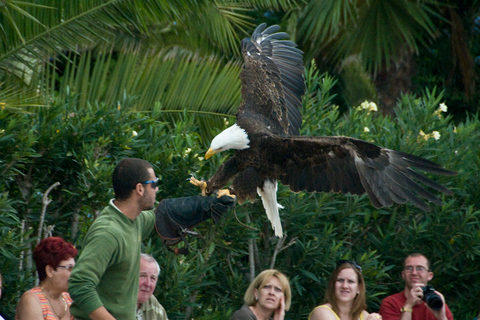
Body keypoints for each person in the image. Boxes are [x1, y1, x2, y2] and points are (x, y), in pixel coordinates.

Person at [68, 158, 235, 320]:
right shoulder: (108, 232)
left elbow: (162, 215)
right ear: (140, 189)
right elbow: (80, 284)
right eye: (154, 184)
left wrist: (204, 205)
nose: (156, 189)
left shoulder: (133, 220)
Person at [16, 237, 78, 320]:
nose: (74, 273)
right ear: (49, 271)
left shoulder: (67, 299)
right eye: (69, 268)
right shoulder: (32, 300)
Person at [379, 253, 453, 320]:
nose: (414, 273)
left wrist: (442, 317)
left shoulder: (437, 303)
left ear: (429, 276)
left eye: (420, 268)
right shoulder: (391, 303)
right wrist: (408, 306)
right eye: (409, 268)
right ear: (403, 275)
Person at [309, 260, 382, 320]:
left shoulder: (364, 315)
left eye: (350, 281)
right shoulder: (321, 312)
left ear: (358, 288)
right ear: (332, 284)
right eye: (340, 280)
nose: (345, 286)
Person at [136, 253, 168, 320]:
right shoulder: (115, 301)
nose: (148, 284)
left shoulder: (154, 306)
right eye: (143, 276)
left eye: (152, 278)